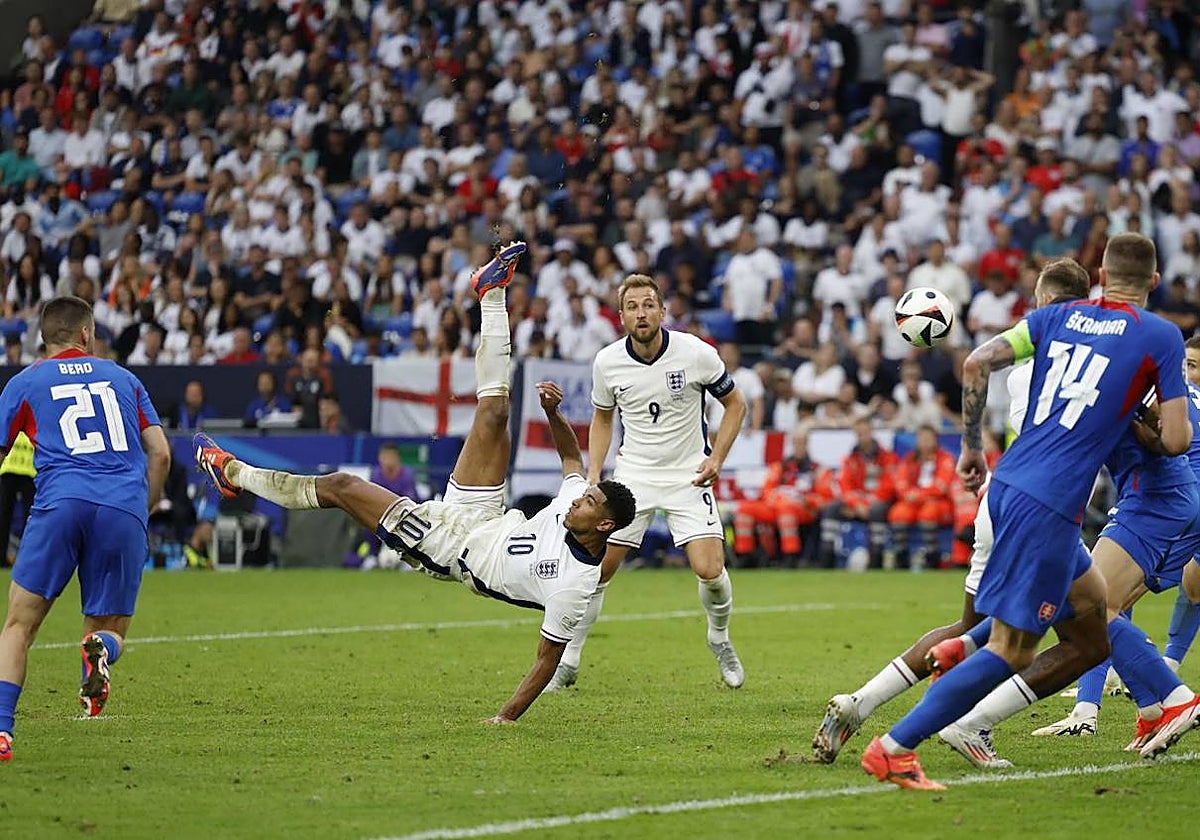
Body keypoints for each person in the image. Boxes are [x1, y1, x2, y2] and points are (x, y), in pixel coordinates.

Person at [195, 243, 637, 723]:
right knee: (495, 412)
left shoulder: (576, 584)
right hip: (483, 515)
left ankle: (234, 473)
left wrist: (504, 718)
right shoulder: (576, 502)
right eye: (586, 494)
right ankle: (492, 293)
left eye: (589, 502)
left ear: (605, 525)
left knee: (343, 486)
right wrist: (552, 413)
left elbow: (545, 663)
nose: (578, 500)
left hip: (451, 550)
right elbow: (572, 457)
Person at [858, 234, 1192, 789]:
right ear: (1154, 283)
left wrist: (969, 447)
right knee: (1013, 648)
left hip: (1012, 482)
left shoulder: (1058, 317)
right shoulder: (1159, 335)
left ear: (1102, 275)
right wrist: (1144, 421)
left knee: (1092, 630)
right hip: (1050, 503)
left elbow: (976, 361)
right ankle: (894, 747)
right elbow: (1178, 440)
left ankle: (960, 646)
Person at [931, 329, 1200, 762]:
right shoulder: (1144, 369)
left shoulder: (1096, 373)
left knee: (1093, 610)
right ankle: (1153, 706)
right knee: (1094, 605)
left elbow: (1166, 441)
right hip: (1164, 497)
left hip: (1156, 500)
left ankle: (1172, 698)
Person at [544, 273, 750, 692]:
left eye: (648, 305)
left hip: (689, 474)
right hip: (634, 475)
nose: (641, 313)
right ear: (621, 316)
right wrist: (595, 471)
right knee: (597, 569)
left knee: (710, 570)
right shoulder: (607, 362)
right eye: (632, 307)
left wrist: (717, 457)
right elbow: (603, 418)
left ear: (662, 311)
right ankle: (569, 659)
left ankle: (720, 638)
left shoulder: (696, 353)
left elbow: (736, 404)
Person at [0, 296, 171, 761]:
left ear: (43, 336)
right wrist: (145, 507)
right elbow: (161, 453)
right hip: (121, 506)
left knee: (18, 625)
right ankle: (99, 653)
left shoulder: (24, 382)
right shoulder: (125, 378)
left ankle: (1, 730)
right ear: (86, 334)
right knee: (107, 625)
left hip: (60, 503)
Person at [732, 428, 832, 564]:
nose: (799, 446)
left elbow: (825, 499)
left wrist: (805, 500)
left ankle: (790, 555)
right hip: (776, 506)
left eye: (802, 443)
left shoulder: (817, 470)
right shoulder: (780, 467)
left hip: (804, 509)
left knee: (786, 509)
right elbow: (767, 491)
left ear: (807, 444)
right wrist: (779, 499)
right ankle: (744, 555)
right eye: (796, 443)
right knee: (744, 508)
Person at [0, 432, 35, 566]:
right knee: (5, 517)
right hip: (14, 468)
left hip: (26, 469)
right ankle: (6, 558)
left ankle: (26, 559)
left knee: (28, 520)